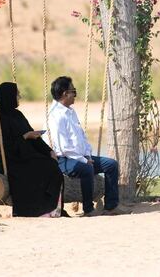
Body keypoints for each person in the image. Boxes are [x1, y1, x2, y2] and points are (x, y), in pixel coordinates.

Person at [44, 76, 127, 216]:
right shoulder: (55, 116)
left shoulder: (70, 111)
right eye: (73, 91)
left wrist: (87, 154)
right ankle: (88, 209)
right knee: (87, 168)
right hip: (63, 159)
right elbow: (63, 147)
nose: (75, 95)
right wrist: (83, 160)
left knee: (111, 165)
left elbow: (81, 137)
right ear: (65, 94)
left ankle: (111, 206)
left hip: (80, 156)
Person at [0, 82, 64, 217]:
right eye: (17, 94)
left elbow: (33, 136)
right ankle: (39, 210)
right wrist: (25, 137)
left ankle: (51, 209)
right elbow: (3, 148)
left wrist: (49, 151)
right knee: (46, 168)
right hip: (6, 161)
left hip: (21, 156)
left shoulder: (16, 115)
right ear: (8, 96)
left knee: (51, 163)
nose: (19, 96)